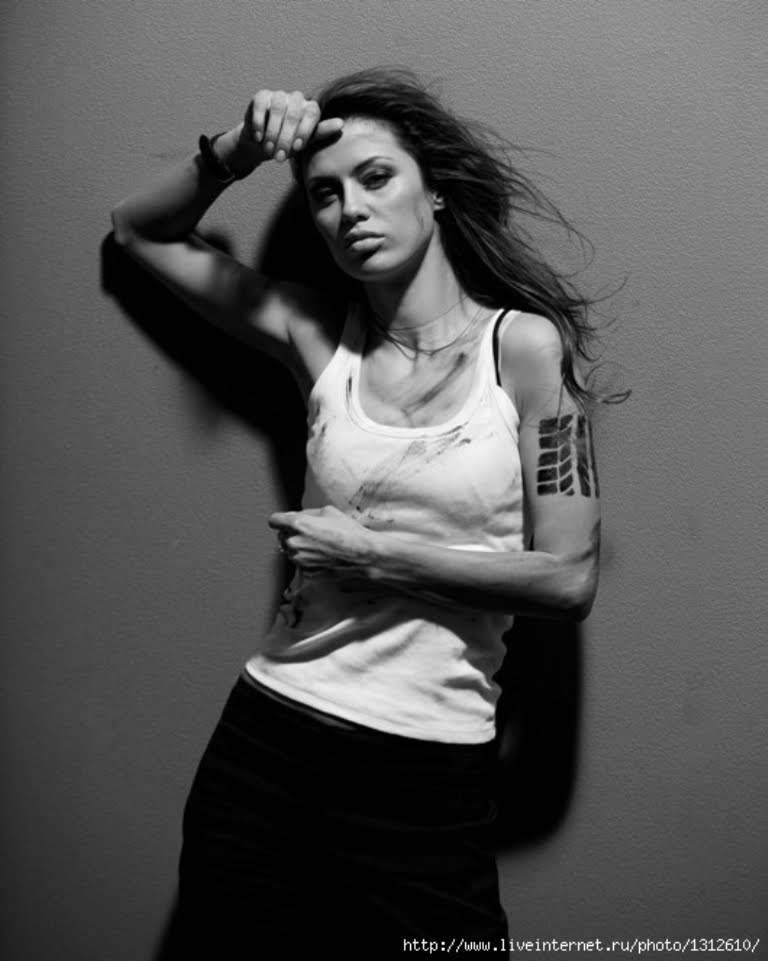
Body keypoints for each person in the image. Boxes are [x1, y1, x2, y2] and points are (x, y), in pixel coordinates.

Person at [111, 67, 606, 959]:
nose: (350, 211)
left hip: (426, 773)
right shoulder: (317, 336)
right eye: (325, 194)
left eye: (376, 178)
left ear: (436, 192)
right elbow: (138, 230)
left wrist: (378, 556)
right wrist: (238, 151)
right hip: (268, 748)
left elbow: (568, 580)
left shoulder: (525, 350)